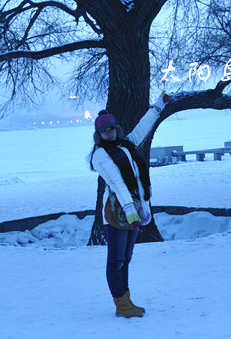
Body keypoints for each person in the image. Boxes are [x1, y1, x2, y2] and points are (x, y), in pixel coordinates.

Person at [89, 92, 168, 318]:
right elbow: (117, 183)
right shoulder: (101, 156)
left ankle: (126, 300)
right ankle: (121, 305)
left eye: (112, 129)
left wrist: (157, 107)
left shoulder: (126, 145)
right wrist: (131, 211)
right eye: (104, 131)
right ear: (99, 134)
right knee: (116, 260)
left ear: (117, 129)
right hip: (118, 214)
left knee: (127, 259)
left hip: (134, 210)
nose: (109, 133)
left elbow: (143, 128)